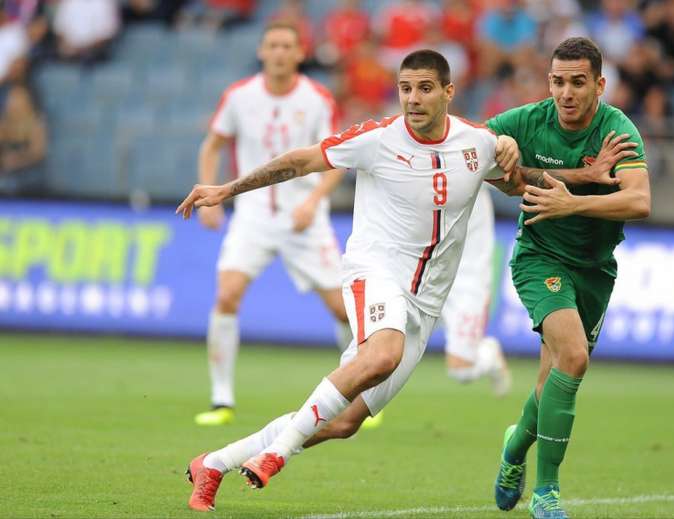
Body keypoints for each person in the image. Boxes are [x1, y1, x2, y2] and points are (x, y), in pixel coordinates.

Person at [177, 48, 632, 513]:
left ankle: (214, 462)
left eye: (425, 88)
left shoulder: (477, 143)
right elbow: (300, 161)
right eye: (405, 88)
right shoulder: (376, 139)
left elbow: (519, 181)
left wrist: (584, 176)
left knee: (343, 422)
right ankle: (275, 455)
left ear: (448, 92)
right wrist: (226, 189)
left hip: (425, 304)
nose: (413, 99)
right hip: (375, 272)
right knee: (383, 352)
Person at [488, 37, 650, 519]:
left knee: (551, 378)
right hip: (540, 257)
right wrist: (501, 149)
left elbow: (640, 201)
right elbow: (476, 159)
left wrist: (571, 202)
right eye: (558, 81)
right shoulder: (525, 121)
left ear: (599, 84)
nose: (566, 93)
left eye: (578, 82)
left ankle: (514, 448)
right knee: (574, 358)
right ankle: (547, 493)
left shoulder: (617, 131)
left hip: (595, 270)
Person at [192, 22, 352, 427]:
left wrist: (315, 200)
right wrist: (211, 199)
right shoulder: (240, 96)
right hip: (253, 215)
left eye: (287, 46)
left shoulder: (317, 99)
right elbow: (211, 145)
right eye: (272, 46)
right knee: (227, 294)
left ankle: (357, 394)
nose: (279, 53)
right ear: (262, 51)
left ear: (300, 53)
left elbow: (336, 159)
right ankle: (220, 399)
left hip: (305, 218)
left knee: (342, 309)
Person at [442, 186, 511, 396]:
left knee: (461, 370)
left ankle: (489, 354)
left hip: (467, 277)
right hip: (426, 272)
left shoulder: (475, 166)